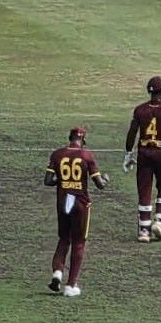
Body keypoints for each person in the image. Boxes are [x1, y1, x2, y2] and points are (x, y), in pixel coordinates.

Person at [44, 127, 108, 297]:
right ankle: (71, 285)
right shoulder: (87, 155)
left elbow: (48, 181)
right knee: (79, 242)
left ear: (69, 137)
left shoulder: (57, 154)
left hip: (63, 201)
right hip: (80, 204)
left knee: (64, 239)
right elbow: (100, 184)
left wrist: (63, 181)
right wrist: (106, 180)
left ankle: (57, 273)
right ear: (83, 140)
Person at [124, 76, 161, 243]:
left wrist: (128, 153)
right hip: (160, 154)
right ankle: (159, 221)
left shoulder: (140, 110)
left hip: (143, 153)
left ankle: (144, 230)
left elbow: (132, 133)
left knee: (144, 190)